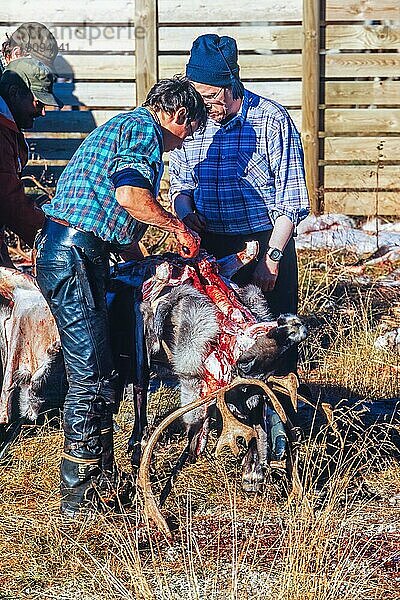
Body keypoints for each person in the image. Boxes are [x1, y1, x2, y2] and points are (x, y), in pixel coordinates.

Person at [34, 76, 207, 518]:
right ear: (178, 115)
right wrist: (179, 227)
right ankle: (80, 498)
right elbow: (130, 195)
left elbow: (108, 208)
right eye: (190, 131)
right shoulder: (144, 130)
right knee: (91, 373)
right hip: (74, 255)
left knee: (100, 366)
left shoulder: (122, 126)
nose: (181, 144)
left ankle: (101, 477)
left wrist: (138, 253)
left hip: (72, 249)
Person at [169, 34, 310, 375]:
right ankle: (229, 420)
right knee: (221, 343)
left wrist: (272, 258)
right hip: (212, 247)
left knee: (275, 340)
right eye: (197, 97)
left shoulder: (270, 119)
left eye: (211, 97)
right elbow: (180, 183)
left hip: (264, 241)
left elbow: (291, 199)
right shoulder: (193, 120)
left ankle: (280, 420)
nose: (205, 107)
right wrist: (186, 212)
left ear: (232, 83)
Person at [0, 57, 62, 266]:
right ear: (15, 93)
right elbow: (9, 200)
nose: (43, 112)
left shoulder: (9, 125)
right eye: (38, 103)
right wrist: (51, 240)